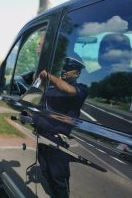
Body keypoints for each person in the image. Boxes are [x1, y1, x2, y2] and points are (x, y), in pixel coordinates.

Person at [36, 57, 87, 198]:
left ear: (76, 74)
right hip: (42, 138)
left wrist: (49, 76)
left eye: (68, 69)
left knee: (59, 179)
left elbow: (68, 90)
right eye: (63, 68)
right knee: (45, 172)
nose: (64, 70)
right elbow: (41, 105)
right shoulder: (51, 87)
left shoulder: (80, 89)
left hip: (57, 142)